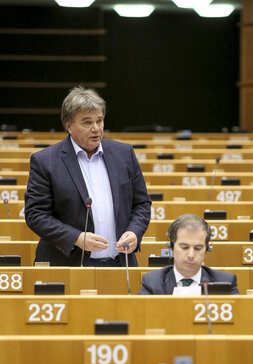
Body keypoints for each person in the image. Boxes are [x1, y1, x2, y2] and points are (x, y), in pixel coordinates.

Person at [25, 86, 151, 266]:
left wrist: (134, 231)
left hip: (120, 264)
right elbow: (35, 215)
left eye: (99, 121)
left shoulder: (124, 154)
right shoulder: (45, 161)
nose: (96, 128)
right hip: (69, 264)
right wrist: (76, 237)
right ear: (68, 125)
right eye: (87, 122)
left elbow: (141, 204)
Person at [138, 214, 239, 295]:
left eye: (198, 248)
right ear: (172, 246)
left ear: (207, 249)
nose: (191, 255)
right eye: (184, 247)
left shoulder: (225, 282)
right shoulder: (152, 282)